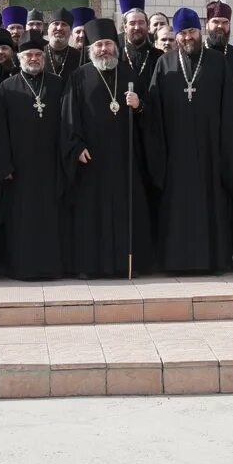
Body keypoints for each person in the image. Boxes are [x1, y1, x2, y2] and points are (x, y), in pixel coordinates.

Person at [143, 7, 233, 273]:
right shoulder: (164, 64)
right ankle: (176, 262)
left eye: (192, 32)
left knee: (211, 204)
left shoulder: (217, 62)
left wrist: (227, 153)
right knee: (177, 208)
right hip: (176, 152)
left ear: (200, 31)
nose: (188, 37)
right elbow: (154, 111)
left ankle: (213, 260)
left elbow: (229, 110)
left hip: (211, 151)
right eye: (183, 33)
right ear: (176, 35)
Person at [62, 19, 150, 277]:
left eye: (108, 44)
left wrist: (139, 105)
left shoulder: (130, 75)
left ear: (116, 46)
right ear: (91, 48)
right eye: (99, 45)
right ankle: (91, 266)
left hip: (124, 158)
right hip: (92, 160)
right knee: (92, 214)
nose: (104, 50)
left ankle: (125, 265)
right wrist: (76, 145)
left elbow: (151, 116)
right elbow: (68, 116)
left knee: (125, 211)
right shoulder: (79, 77)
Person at [0, 32, 67, 279]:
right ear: (19, 58)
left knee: (51, 217)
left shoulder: (57, 84)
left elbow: (68, 122)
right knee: (22, 219)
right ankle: (22, 268)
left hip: (51, 163)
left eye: (37, 54)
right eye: (28, 55)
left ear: (43, 56)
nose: (33, 58)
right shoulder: (6, 88)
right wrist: (4, 165)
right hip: (19, 167)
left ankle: (51, 267)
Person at [119, 0, 162, 96]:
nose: (137, 27)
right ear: (125, 27)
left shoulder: (159, 56)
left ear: (147, 26)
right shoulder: (117, 56)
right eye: (132, 23)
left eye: (141, 22)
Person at [205, 0, 233, 83]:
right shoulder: (197, 53)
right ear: (207, 25)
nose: (220, 26)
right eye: (216, 22)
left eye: (225, 22)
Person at [43, 9, 83, 85]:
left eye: (64, 24)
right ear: (48, 29)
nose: (59, 28)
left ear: (70, 32)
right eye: (56, 23)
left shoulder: (80, 57)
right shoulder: (38, 54)